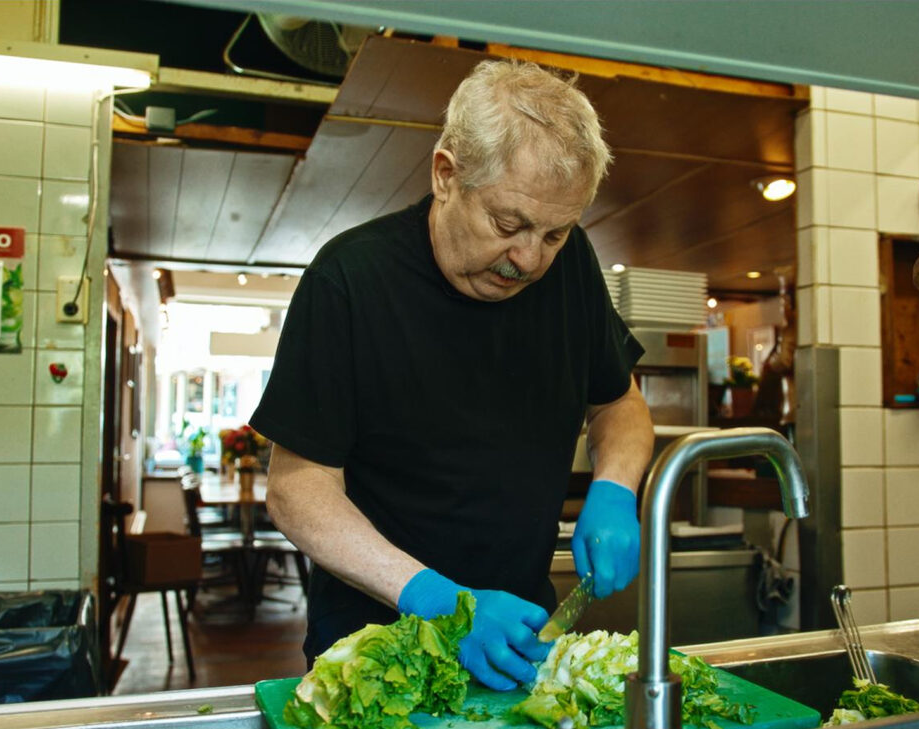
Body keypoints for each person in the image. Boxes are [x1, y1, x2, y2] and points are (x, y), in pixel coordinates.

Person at [248, 59, 654, 691]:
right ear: (446, 174)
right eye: (508, 225)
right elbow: (297, 490)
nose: (529, 259)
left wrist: (616, 488)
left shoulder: (571, 266)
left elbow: (618, 403)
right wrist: (439, 601)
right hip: (375, 648)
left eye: (555, 233)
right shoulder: (350, 281)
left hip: (522, 642)